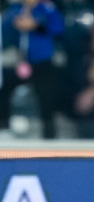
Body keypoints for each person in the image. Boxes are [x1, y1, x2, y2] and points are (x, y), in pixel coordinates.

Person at [0, 0, 64, 138]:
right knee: (4, 90)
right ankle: (4, 129)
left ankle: (49, 135)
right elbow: (4, 30)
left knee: (46, 98)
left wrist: (35, 25)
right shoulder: (15, 9)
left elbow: (58, 28)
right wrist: (15, 25)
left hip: (42, 61)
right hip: (19, 61)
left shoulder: (47, 7)